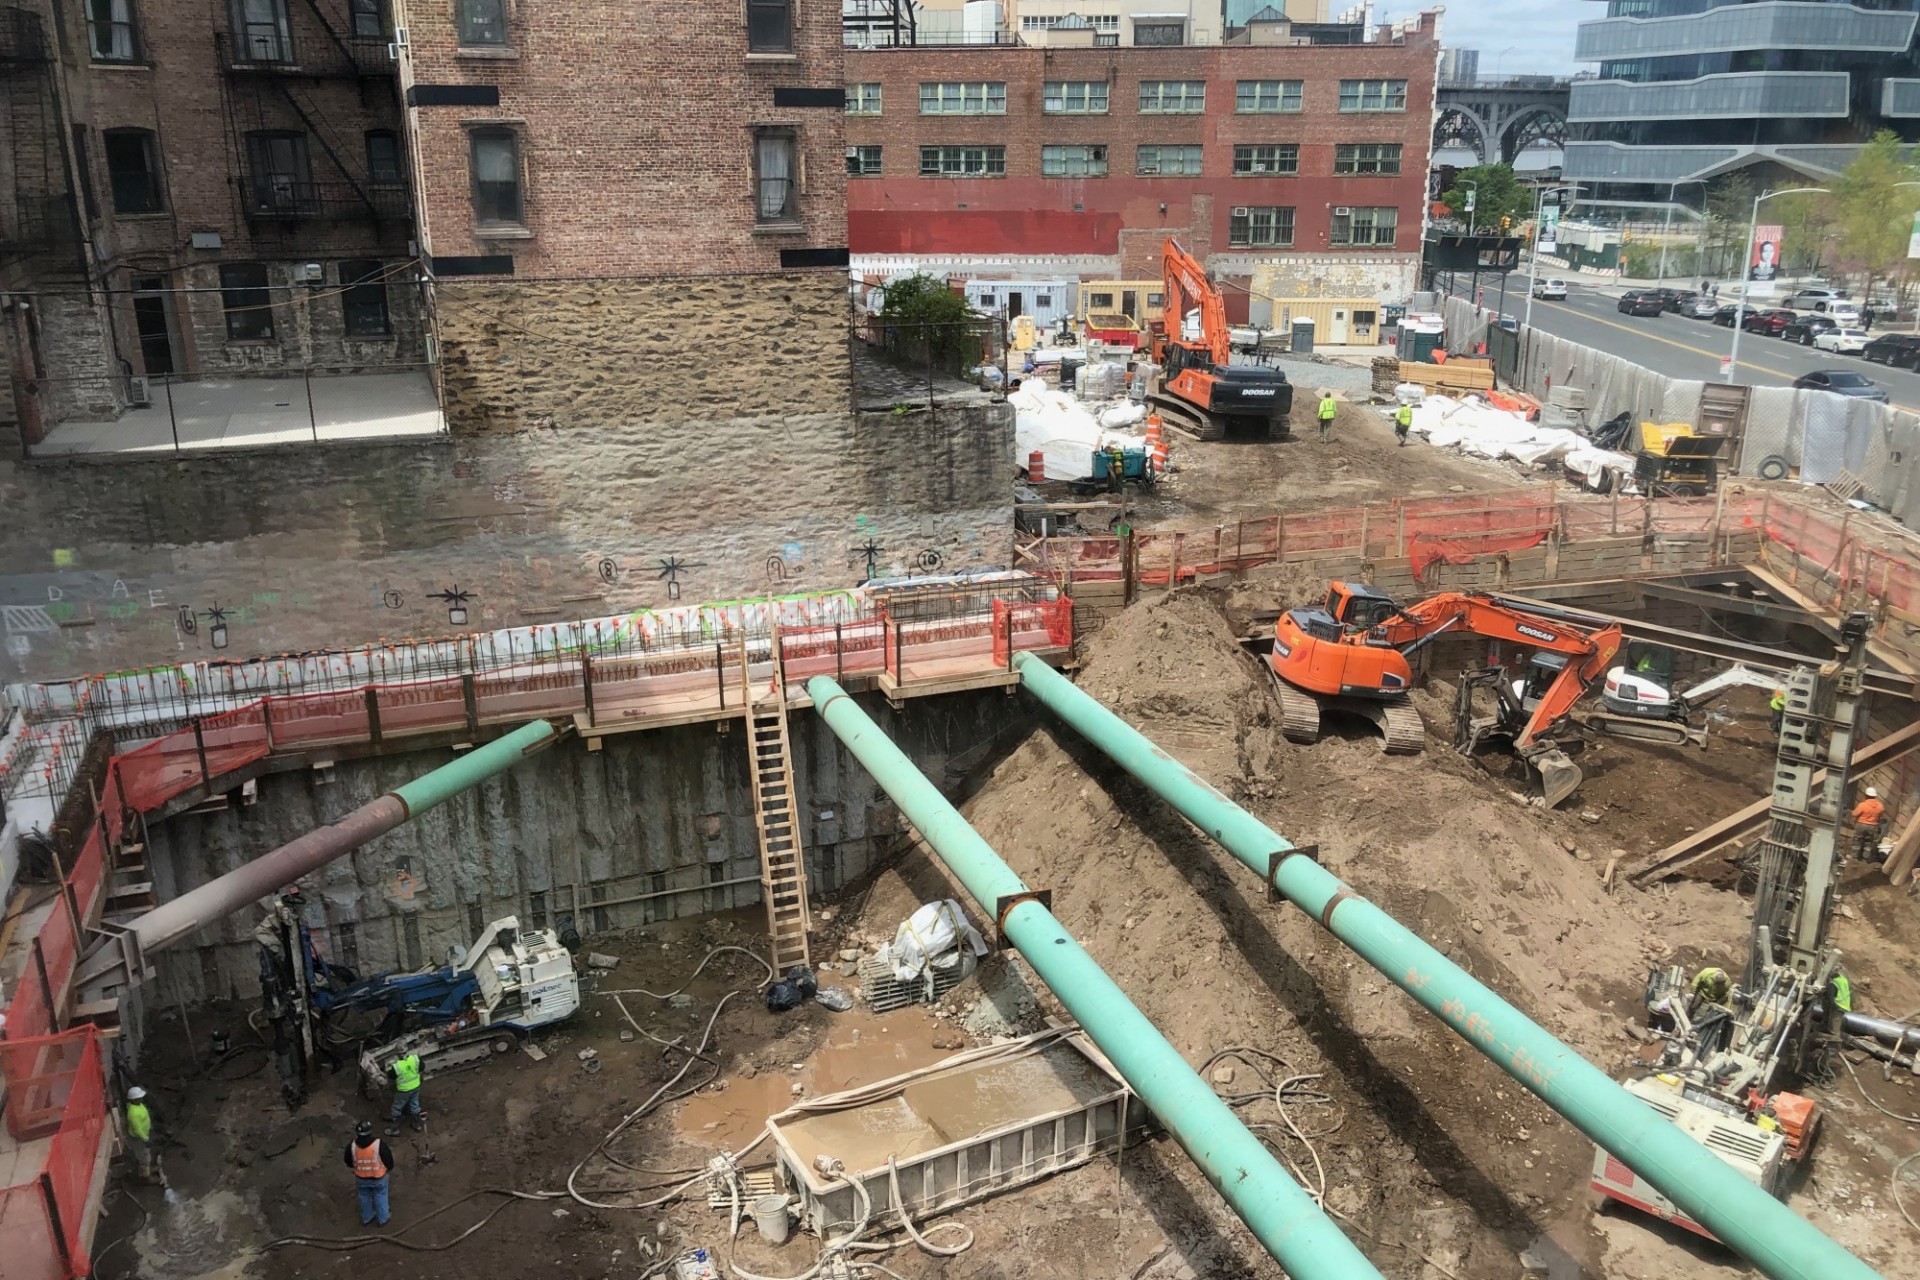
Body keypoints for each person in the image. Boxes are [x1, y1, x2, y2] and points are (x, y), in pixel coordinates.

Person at [346, 1120, 396, 1227]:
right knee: (380, 1195)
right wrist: (389, 1168)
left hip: (361, 1178)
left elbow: (348, 1161)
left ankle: (367, 1217)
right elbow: (388, 1159)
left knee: (364, 1196)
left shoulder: (352, 1146)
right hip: (378, 1177)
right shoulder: (378, 1145)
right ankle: (383, 1218)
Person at [125, 1086, 160, 1183]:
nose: (141, 1098)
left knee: (147, 1154)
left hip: (144, 1135)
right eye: (139, 1097)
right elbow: (137, 1130)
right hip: (139, 1138)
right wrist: (145, 1139)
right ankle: (146, 1177)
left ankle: (148, 1169)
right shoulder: (133, 1113)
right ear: (134, 1099)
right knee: (143, 1157)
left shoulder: (138, 1105)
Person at [385, 1050, 424, 1135]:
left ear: (398, 1054)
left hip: (403, 1090)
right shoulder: (415, 1059)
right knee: (414, 1104)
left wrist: (389, 1068)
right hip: (416, 1086)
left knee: (397, 1108)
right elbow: (422, 1067)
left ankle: (395, 1129)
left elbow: (390, 1076)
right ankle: (417, 1125)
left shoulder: (397, 1066)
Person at [1851, 785, 1888, 860]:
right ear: (1875, 796)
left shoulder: (1863, 805)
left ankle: (1854, 858)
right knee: (1868, 843)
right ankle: (1865, 859)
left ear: (1866, 795)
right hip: (1872, 827)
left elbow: (1854, 814)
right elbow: (1880, 816)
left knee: (1857, 841)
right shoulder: (1880, 806)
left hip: (1861, 825)